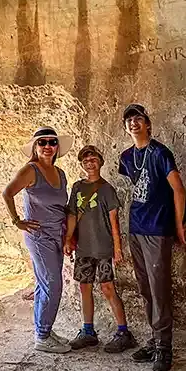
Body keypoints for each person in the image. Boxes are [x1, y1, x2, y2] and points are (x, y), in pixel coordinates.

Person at [117, 104, 186, 371]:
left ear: (148, 123)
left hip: (158, 229)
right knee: (146, 288)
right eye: (129, 120)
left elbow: (178, 190)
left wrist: (179, 226)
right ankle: (154, 339)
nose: (134, 123)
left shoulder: (160, 153)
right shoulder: (126, 157)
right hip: (135, 228)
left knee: (159, 290)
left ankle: (165, 347)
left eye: (138, 119)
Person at [2, 126, 72, 353]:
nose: (48, 147)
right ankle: (42, 337)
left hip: (57, 234)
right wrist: (17, 221)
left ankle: (44, 329)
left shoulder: (60, 174)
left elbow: (63, 205)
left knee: (45, 283)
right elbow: (7, 193)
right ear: (35, 147)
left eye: (52, 142)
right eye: (42, 143)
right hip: (39, 235)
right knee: (53, 283)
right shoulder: (31, 170)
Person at [63, 145, 137, 353]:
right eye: (86, 161)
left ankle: (123, 332)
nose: (90, 163)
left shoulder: (107, 190)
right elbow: (72, 215)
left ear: (101, 162)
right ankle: (88, 331)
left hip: (103, 248)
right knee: (84, 288)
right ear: (82, 165)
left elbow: (114, 222)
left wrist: (117, 248)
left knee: (107, 289)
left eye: (93, 159)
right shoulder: (77, 188)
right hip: (84, 249)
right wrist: (68, 239)